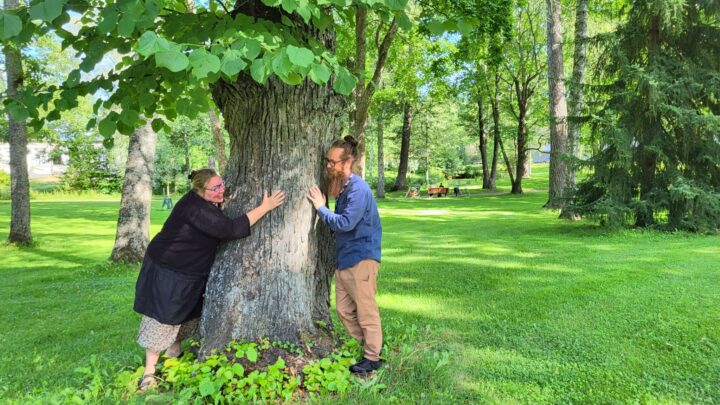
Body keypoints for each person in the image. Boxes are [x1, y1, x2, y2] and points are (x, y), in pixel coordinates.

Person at [133, 168, 285, 390]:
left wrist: (218, 195)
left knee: (187, 312)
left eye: (222, 184)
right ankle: (149, 373)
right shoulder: (195, 208)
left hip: (190, 270)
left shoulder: (205, 201)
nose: (221, 190)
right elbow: (230, 229)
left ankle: (174, 351)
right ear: (200, 190)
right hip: (169, 268)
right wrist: (266, 207)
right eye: (215, 188)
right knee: (163, 316)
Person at [307, 136, 383, 374]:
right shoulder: (344, 188)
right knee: (343, 310)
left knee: (366, 310)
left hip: (361, 258)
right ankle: (366, 346)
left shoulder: (358, 189)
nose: (328, 166)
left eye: (333, 162)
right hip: (345, 259)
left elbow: (346, 223)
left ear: (348, 162)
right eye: (327, 161)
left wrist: (321, 208)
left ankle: (372, 357)